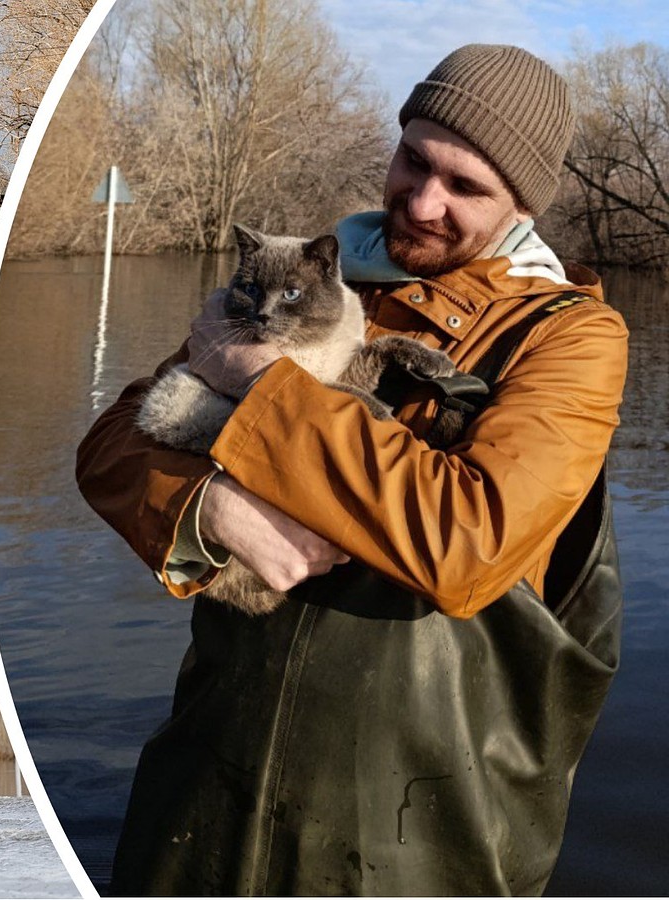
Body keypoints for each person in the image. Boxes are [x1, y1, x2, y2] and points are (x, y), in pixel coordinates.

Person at [77, 44, 628, 895]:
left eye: (466, 187)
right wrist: (208, 507)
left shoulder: (571, 339)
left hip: (416, 838)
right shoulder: (307, 280)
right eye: (414, 159)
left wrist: (258, 385)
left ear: (522, 206)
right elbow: (111, 443)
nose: (422, 199)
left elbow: (468, 544)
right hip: (209, 798)